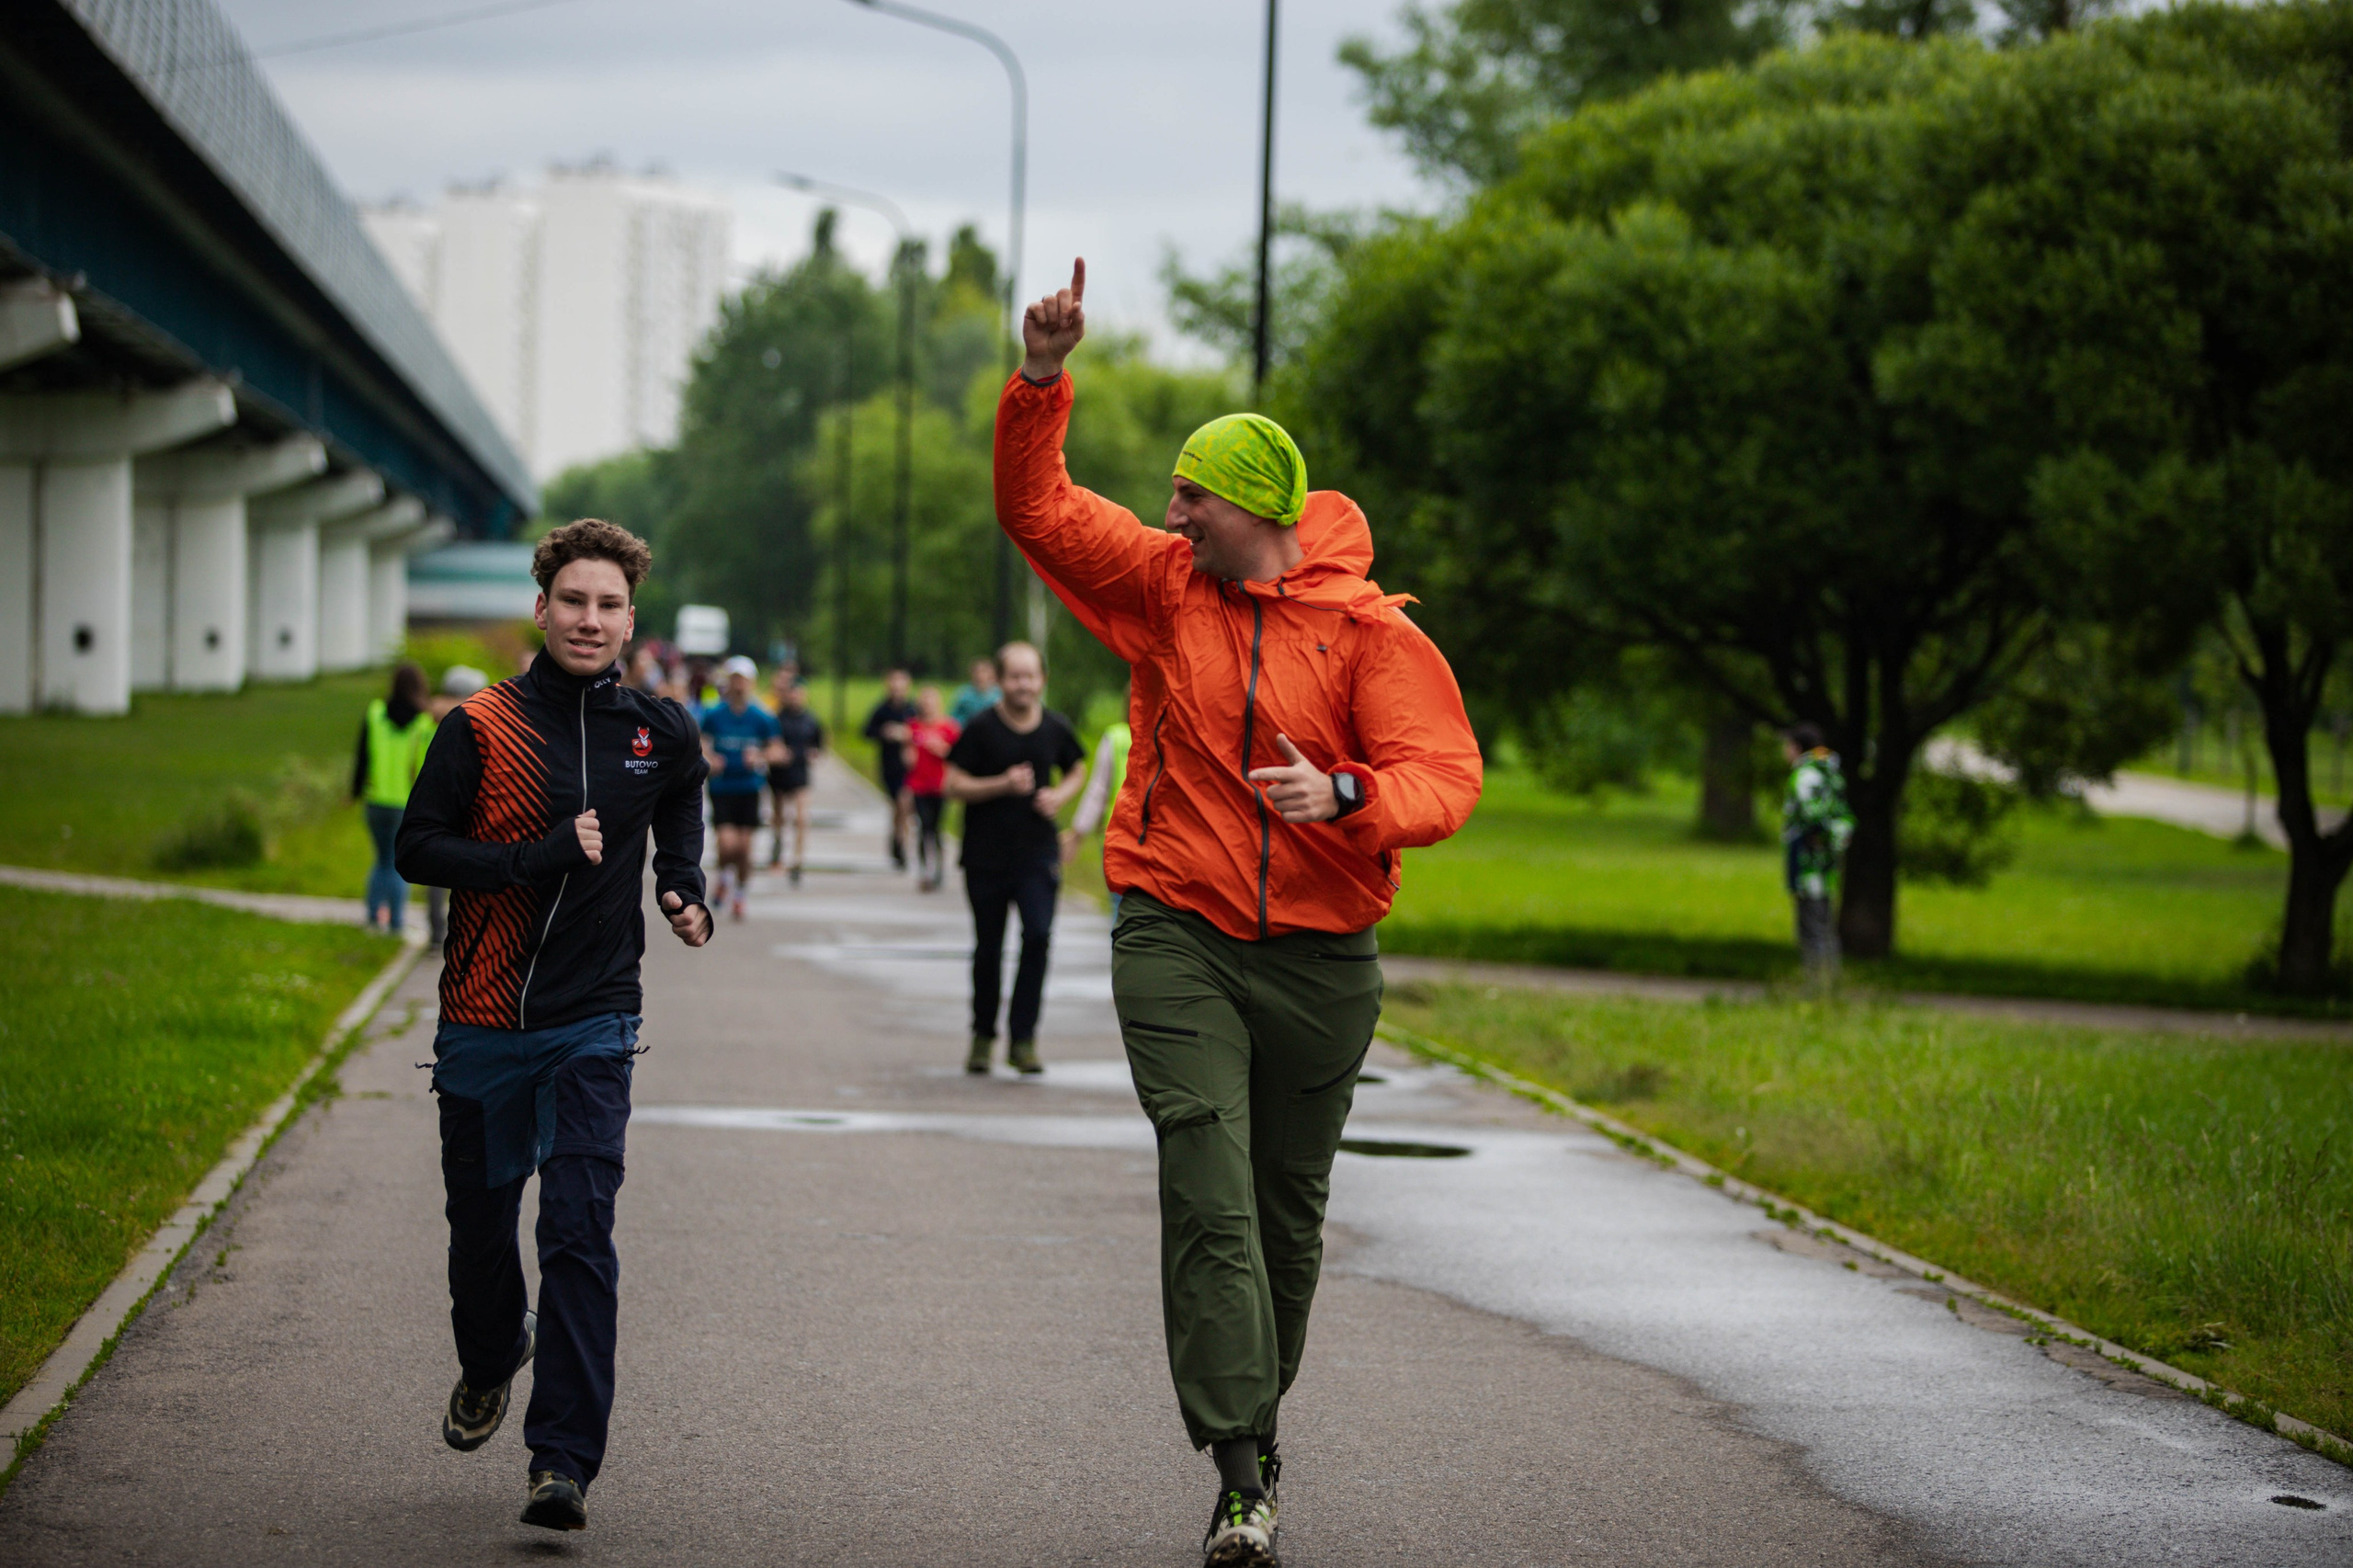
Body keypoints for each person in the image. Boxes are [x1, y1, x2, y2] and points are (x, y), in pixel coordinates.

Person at [996, 260, 1482, 1567]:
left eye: (1191, 495)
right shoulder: (1165, 585)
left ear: (1254, 508)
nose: (1171, 514)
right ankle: (1238, 1469)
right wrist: (1041, 378)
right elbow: (1038, 508)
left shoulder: (1368, 633)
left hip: (1324, 961)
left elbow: (1446, 774)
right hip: (1178, 929)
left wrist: (1349, 792)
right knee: (1207, 1184)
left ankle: (1257, 1444)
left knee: (1282, 1219)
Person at [393, 517, 713, 1537]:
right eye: (573, 600)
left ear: (630, 620)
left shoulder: (657, 731)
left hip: (595, 1019)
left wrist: (681, 882)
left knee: (578, 1230)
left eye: (608, 604)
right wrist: (534, 856)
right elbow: (416, 848)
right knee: (481, 1235)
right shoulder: (480, 726)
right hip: (483, 1020)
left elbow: (684, 795)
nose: (589, 618)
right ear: (541, 608)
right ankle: (494, 1353)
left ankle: (562, 1461)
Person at [943, 642, 1086, 1075]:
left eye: (1030, 676)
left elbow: (1077, 768)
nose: (1023, 685)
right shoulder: (981, 728)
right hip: (986, 856)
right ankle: (983, 1036)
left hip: (1037, 855)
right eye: (1015, 676)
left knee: (1038, 937)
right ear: (1000, 680)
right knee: (989, 948)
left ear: (1042, 680)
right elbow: (952, 783)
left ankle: (1023, 1040)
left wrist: (1059, 795)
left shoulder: (1055, 727)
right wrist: (1001, 784)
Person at [351, 663, 437, 935]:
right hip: (404, 802)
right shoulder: (424, 722)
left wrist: (354, 792)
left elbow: (362, 756)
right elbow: (425, 767)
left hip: (375, 800)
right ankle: (396, 922)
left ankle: (373, 919)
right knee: (398, 863)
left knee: (381, 860)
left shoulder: (375, 713)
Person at [699, 654, 782, 922]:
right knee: (727, 843)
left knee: (745, 848)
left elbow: (778, 750)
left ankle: (740, 893)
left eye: (743, 680)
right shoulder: (714, 714)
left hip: (749, 787)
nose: (739, 685)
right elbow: (701, 743)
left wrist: (760, 757)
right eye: (735, 679)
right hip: (722, 786)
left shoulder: (762, 717)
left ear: (752, 682)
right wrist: (710, 758)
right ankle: (724, 877)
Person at [416, 665, 492, 946]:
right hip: (470, 807)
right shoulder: (474, 720)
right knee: (471, 869)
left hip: (430, 806)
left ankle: (437, 932)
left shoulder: (426, 721)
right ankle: (469, 932)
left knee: (436, 873)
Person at [1780, 722, 1854, 982]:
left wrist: (1815, 836)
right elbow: (1841, 815)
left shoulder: (1805, 775)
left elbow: (1812, 814)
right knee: (1823, 921)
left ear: (1797, 747)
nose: (1784, 751)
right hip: (1827, 861)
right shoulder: (1831, 772)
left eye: (1787, 746)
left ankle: (1817, 982)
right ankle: (1829, 979)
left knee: (1811, 924)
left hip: (1808, 861)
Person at [1063, 688, 1133, 920]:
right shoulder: (1165, 736)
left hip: (1116, 835)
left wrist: (1078, 832)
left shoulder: (1115, 737)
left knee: (1120, 905)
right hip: (1144, 837)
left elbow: (1098, 790)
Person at [767, 679, 826, 883]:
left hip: (800, 773)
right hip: (780, 774)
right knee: (779, 816)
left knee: (801, 818)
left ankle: (798, 859)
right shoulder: (776, 719)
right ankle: (778, 841)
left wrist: (814, 754)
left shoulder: (811, 720)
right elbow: (768, 743)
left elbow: (819, 745)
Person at [862, 668, 919, 869]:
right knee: (898, 806)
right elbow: (867, 731)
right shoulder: (882, 710)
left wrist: (906, 734)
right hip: (890, 765)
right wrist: (883, 732)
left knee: (906, 804)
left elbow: (923, 730)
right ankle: (897, 837)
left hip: (910, 766)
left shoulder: (913, 709)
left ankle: (901, 842)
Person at [906, 684, 961, 892]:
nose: (928, 706)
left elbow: (959, 756)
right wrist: (908, 754)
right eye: (925, 702)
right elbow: (907, 754)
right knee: (924, 825)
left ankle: (938, 869)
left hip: (940, 785)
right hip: (919, 784)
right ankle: (924, 869)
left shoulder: (949, 727)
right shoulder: (913, 726)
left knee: (937, 828)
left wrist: (942, 749)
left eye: (931, 702)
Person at [949, 656, 1000, 726]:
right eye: (977, 672)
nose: (980, 676)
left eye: (984, 672)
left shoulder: (999, 694)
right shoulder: (964, 694)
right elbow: (953, 718)